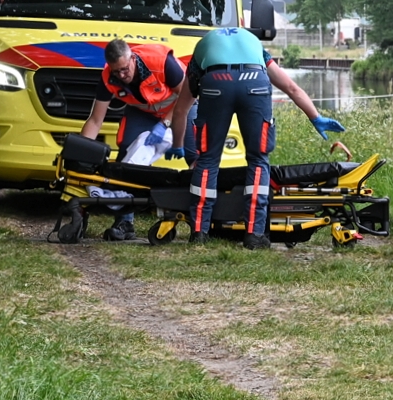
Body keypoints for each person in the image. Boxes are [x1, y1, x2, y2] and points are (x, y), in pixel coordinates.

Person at [170, 28, 344, 248]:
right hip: (254, 81)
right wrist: (315, 117)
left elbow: (180, 111)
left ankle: (199, 232)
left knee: (207, 160)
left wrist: (178, 145)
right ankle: (254, 233)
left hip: (215, 82)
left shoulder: (201, 49)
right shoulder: (257, 48)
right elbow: (291, 87)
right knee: (258, 159)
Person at [79, 38, 185, 240]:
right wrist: (82, 154)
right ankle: (125, 222)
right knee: (127, 155)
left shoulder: (161, 62)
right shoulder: (108, 77)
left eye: (125, 69)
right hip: (143, 111)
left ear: (133, 59)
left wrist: (165, 124)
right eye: (116, 71)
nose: (122, 75)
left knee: (192, 154)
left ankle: (200, 219)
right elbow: (95, 120)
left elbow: (187, 96)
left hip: (179, 108)